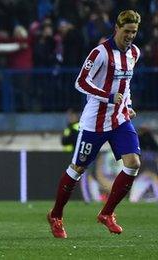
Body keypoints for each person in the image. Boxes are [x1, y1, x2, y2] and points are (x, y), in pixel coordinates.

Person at [47, 10, 142, 239]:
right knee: (77, 169)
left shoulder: (135, 53)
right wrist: (107, 97)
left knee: (133, 163)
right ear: (117, 29)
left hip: (119, 119)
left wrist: (127, 104)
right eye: (127, 31)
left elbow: (125, 84)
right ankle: (56, 215)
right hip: (95, 121)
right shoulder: (100, 53)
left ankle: (107, 213)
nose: (130, 36)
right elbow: (80, 82)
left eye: (134, 32)